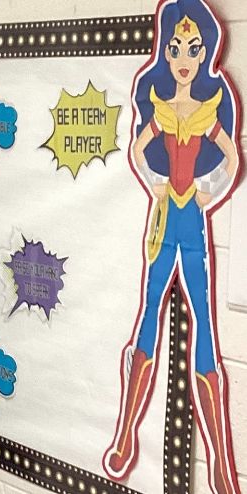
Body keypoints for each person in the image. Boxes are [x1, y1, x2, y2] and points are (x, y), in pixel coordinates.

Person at [102, 1, 240, 493]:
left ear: (204, 54)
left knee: (203, 318)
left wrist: (210, 187)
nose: (184, 57)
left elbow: (230, 155)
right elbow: (138, 151)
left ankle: (221, 459)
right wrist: (157, 181)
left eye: (194, 48)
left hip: (192, 221)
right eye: (177, 47)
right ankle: (124, 436)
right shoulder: (160, 104)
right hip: (164, 219)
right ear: (167, 49)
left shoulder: (208, 109)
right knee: (148, 315)